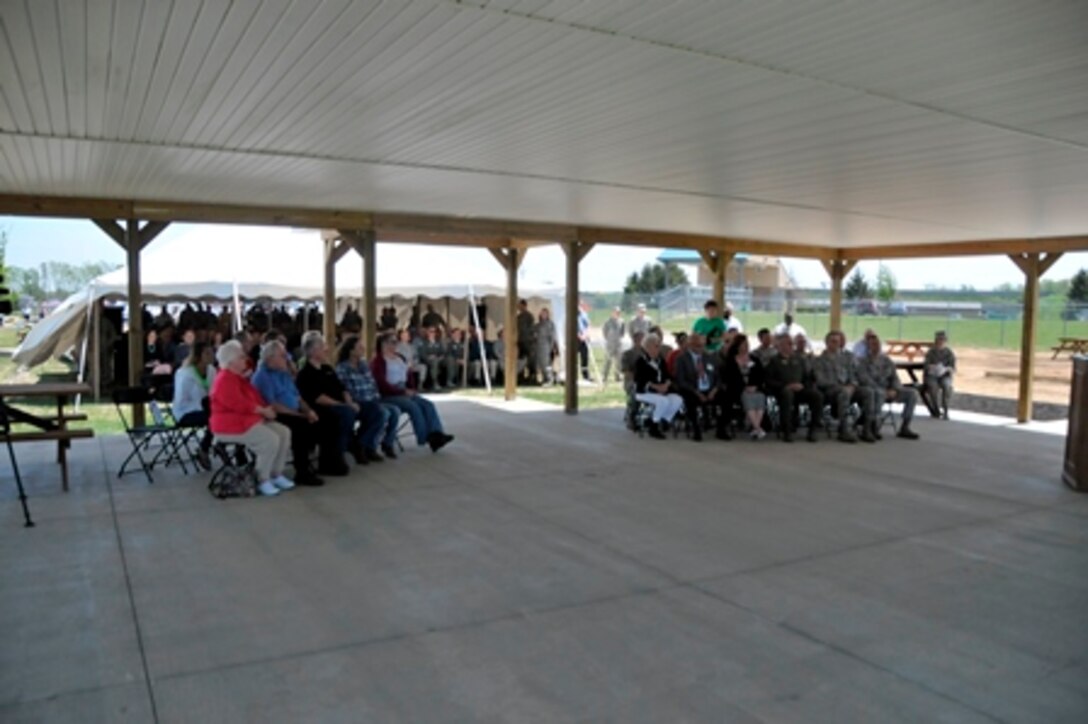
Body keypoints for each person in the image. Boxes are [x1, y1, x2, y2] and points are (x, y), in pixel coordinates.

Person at [208, 340, 294, 497]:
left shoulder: (238, 378)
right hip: (230, 425)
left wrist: (265, 410)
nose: (245, 360)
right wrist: (262, 411)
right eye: (241, 358)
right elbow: (238, 404)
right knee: (269, 439)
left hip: (248, 420)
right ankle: (262, 479)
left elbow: (254, 398)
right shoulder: (224, 379)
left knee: (283, 432)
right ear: (231, 362)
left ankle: (276, 473)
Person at [295, 331, 372, 475]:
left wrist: (348, 401)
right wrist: (341, 405)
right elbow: (317, 397)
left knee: (372, 410)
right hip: (322, 409)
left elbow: (342, 388)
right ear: (313, 351)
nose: (327, 349)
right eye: (323, 346)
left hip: (340, 405)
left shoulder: (327, 369)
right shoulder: (305, 373)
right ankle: (339, 453)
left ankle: (360, 444)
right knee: (345, 415)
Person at [251, 340, 324, 486]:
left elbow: (297, 397)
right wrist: (299, 415)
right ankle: (302, 471)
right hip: (273, 414)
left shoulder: (283, 373)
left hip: (292, 411)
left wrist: (308, 410)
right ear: (271, 358)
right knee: (301, 425)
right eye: (283, 356)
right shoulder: (263, 376)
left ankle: (319, 461)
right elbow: (274, 405)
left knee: (319, 419)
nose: (288, 358)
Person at [372, 334, 454, 452]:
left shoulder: (400, 357)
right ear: (383, 344)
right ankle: (425, 438)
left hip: (403, 389)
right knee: (413, 407)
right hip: (389, 394)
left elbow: (408, 375)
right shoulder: (379, 361)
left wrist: (411, 389)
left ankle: (437, 434)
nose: (395, 345)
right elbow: (381, 384)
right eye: (392, 342)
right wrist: (401, 391)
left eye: (396, 342)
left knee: (427, 404)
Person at [336, 335, 400, 461]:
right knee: (382, 413)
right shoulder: (343, 368)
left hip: (372, 401)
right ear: (351, 351)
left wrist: (376, 398)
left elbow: (372, 385)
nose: (363, 349)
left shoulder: (363, 365)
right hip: (357, 402)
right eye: (359, 347)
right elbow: (344, 389)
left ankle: (370, 445)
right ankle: (364, 446)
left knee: (395, 411)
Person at [812, 331, 877, 443]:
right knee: (844, 393)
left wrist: (852, 384)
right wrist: (841, 386)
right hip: (830, 391)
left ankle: (867, 429)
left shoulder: (846, 358)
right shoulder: (819, 360)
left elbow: (854, 374)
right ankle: (844, 430)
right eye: (833, 341)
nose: (836, 344)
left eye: (838, 341)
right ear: (827, 343)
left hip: (849, 388)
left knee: (868, 392)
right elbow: (820, 380)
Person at [857, 334, 920, 440]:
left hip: (890, 391)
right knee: (877, 393)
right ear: (868, 347)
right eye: (872, 344)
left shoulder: (887, 361)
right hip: (875, 391)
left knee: (912, 394)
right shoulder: (862, 362)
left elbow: (894, 377)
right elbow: (864, 380)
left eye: (877, 344)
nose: (876, 346)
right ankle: (872, 427)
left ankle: (905, 426)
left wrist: (895, 389)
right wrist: (884, 390)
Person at [765, 333, 823, 443]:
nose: (792, 346)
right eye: (789, 344)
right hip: (782, 391)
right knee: (787, 395)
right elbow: (768, 380)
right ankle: (787, 431)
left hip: (800, 390)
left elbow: (807, 377)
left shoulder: (799, 359)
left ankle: (813, 430)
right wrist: (785, 386)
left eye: (792, 344)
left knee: (817, 396)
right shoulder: (774, 361)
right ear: (781, 346)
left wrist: (803, 385)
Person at [673, 333, 729, 441]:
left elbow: (718, 377)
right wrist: (696, 392)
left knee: (727, 399)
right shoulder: (682, 359)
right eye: (698, 346)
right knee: (690, 402)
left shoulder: (710, 357)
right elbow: (681, 380)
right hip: (692, 389)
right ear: (690, 346)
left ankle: (721, 428)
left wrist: (714, 390)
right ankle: (696, 429)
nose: (701, 349)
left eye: (703, 346)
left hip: (710, 389)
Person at [172, 341, 216, 469]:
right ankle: (205, 448)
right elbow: (182, 398)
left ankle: (220, 444)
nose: (211, 356)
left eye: (212, 352)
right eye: (207, 353)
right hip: (187, 411)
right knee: (214, 418)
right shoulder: (185, 374)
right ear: (198, 356)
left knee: (223, 416)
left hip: (208, 408)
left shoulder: (212, 371)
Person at [633, 333, 684, 439]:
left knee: (677, 399)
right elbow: (640, 380)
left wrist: (666, 384)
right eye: (656, 346)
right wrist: (656, 387)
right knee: (663, 401)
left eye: (659, 345)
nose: (659, 348)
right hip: (645, 391)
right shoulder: (641, 361)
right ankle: (654, 426)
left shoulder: (660, 360)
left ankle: (664, 420)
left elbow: (667, 375)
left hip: (661, 390)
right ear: (648, 347)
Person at [721, 334, 768, 439]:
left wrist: (755, 386)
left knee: (760, 396)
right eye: (743, 344)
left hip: (755, 388)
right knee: (747, 397)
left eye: (747, 344)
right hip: (738, 389)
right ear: (737, 346)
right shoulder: (731, 361)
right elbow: (729, 378)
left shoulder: (754, 359)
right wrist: (744, 387)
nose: (746, 346)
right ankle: (757, 428)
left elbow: (761, 376)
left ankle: (756, 428)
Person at [924, 331, 956, 420]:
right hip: (932, 375)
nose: (940, 341)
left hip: (944, 375)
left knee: (947, 386)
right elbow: (926, 365)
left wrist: (946, 369)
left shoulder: (949, 353)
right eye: (939, 340)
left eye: (942, 340)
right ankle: (936, 409)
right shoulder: (931, 352)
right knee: (932, 387)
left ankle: (945, 410)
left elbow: (953, 367)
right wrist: (932, 367)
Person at [534, 308, 558, 386]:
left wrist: (551, 347)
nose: (543, 315)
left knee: (547, 364)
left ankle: (550, 379)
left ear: (547, 315)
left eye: (545, 313)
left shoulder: (550, 324)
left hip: (546, 346)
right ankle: (545, 379)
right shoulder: (538, 325)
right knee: (541, 364)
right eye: (542, 313)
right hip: (539, 347)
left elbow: (553, 336)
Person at [601, 307, 625, 383]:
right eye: (616, 312)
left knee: (619, 361)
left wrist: (618, 339)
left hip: (618, 344)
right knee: (608, 361)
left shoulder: (621, 321)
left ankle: (617, 376)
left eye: (618, 312)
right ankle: (604, 376)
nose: (617, 313)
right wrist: (609, 339)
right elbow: (604, 332)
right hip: (610, 344)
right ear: (612, 312)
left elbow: (622, 332)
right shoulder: (608, 321)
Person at [515, 299, 536, 381]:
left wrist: (531, 338)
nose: (519, 307)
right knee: (520, 359)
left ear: (524, 305)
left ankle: (532, 375)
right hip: (520, 340)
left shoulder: (529, 316)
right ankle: (521, 375)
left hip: (528, 341)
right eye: (518, 306)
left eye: (520, 305)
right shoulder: (518, 317)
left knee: (530, 359)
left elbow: (532, 328)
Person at [577, 299, 592, 381]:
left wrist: (585, 335)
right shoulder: (571, 314)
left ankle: (586, 376)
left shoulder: (584, 314)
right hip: (575, 340)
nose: (579, 306)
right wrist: (578, 335)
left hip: (584, 339)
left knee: (585, 358)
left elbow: (588, 325)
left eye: (580, 304)